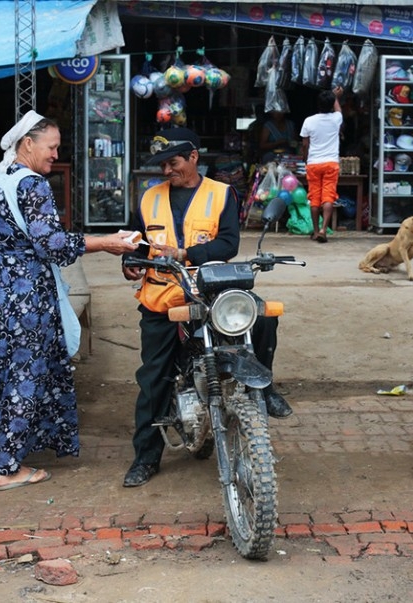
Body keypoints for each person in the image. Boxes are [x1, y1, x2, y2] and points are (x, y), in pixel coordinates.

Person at [0, 110, 137, 491]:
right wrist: (106, 243)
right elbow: (52, 244)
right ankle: (7, 469)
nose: (56, 154)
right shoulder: (32, 185)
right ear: (27, 144)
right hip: (23, 295)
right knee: (26, 373)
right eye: (52, 147)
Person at [120, 126, 291, 488]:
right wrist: (131, 261)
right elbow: (136, 241)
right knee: (154, 381)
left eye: (174, 163)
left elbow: (228, 243)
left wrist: (187, 254)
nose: (167, 171)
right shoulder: (149, 197)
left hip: (210, 291)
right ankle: (146, 458)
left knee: (261, 319)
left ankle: (265, 386)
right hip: (162, 299)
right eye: (162, 165)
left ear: (194, 156)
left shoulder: (221, 193)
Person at [300, 86, 343, 243]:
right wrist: (335, 96)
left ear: (317, 104)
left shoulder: (309, 121)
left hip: (313, 164)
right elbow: (338, 109)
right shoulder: (336, 119)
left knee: (314, 198)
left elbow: (305, 144)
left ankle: (316, 230)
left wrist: (305, 158)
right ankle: (324, 229)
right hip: (331, 163)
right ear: (331, 105)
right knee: (328, 196)